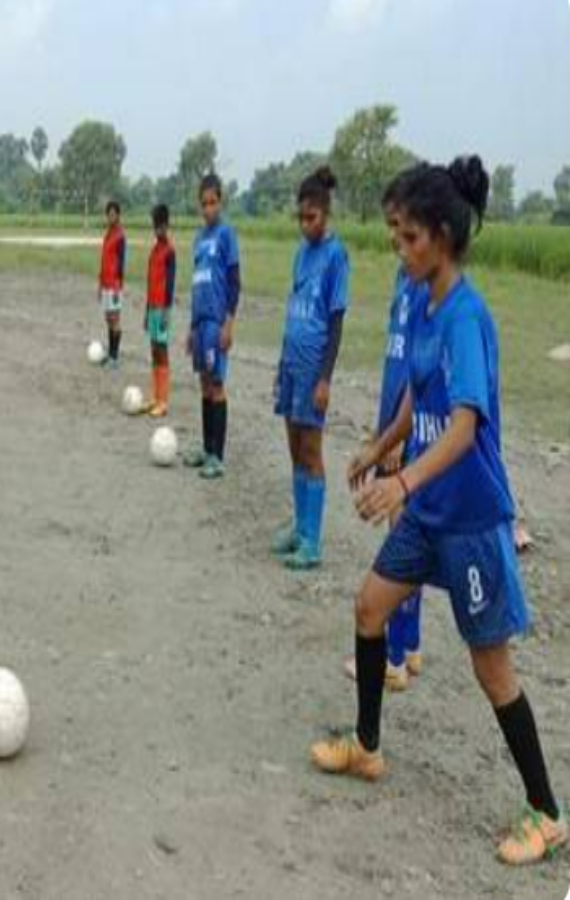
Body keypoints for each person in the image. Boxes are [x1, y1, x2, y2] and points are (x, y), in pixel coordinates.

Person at [310, 158, 565, 866]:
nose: (400, 248)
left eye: (409, 236)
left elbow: (463, 423)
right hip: (427, 510)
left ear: (444, 238)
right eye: (396, 235)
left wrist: (405, 483)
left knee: (493, 671)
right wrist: (378, 447)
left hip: (471, 517)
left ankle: (546, 812)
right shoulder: (423, 303)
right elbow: (418, 401)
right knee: (369, 608)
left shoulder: (465, 315)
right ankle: (366, 747)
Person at [345, 170, 428, 691]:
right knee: (406, 539)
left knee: (403, 543)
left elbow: (423, 380)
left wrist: (396, 444)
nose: (394, 240)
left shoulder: (427, 287)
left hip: (409, 433)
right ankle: (412, 645)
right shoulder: (403, 281)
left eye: (401, 228)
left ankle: (394, 655)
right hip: (392, 422)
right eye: (390, 229)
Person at [271, 167, 350, 570]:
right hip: (291, 364)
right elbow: (294, 306)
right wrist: (282, 360)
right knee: (292, 447)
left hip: (314, 367)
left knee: (311, 449)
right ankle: (299, 528)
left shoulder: (336, 255)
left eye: (312, 217)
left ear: (325, 213)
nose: (306, 225)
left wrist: (325, 379)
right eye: (300, 218)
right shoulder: (301, 254)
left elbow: (335, 321)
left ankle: (313, 542)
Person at [185, 175, 241, 479]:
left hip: (218, 322)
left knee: (217, 385)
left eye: (213, 202)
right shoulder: (198, 238)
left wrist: (229, 323)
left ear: (220, 201)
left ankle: (218, 457)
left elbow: (234, 283)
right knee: (204, 384)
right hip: (200, 323)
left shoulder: (226, 235)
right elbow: (197, 283)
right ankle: (206, 449)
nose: (208, 208)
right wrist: (191, 328)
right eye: (203, 203)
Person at [144, 203, 176, 418]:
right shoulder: (154, 251)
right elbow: (150, 281)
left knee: (162, 351)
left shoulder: (170, 251)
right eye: (156, 227)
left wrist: (166, 310)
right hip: (152, 306)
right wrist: (147, 310)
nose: (158, 231)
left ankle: (163, 400)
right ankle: (155, 396)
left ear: (167, 225)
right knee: (154, 349)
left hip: (163, 308)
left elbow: (170, 283)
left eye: (162, 226)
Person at [98, 200, 127, 370]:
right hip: (105, 284)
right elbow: (104, 260)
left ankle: (115, 358)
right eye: (109, 214)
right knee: (108, 318)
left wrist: (118, 285)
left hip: (114, 285)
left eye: (113, 214)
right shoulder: (107, 234)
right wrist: (100, 284)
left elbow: (121, 263)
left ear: (118, 215)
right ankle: (110, 354)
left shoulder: (120, 236)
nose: (111, 217)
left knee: (115, 319)